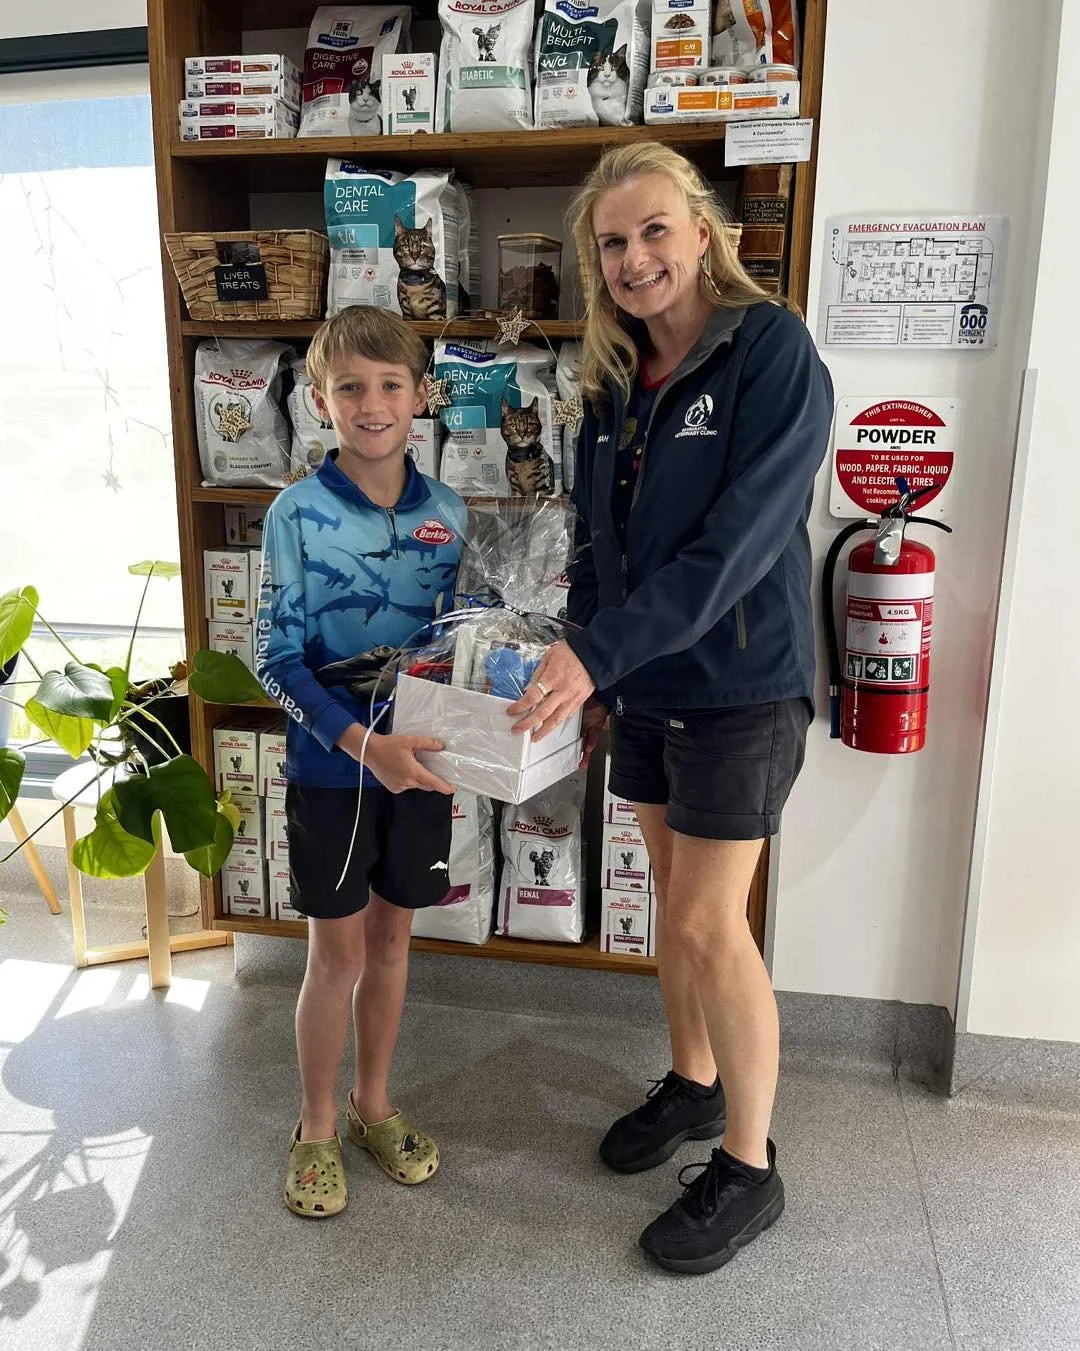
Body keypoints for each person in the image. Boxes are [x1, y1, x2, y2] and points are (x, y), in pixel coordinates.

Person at [508, 141, 833, 1273]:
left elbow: (738, 545)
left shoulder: (770, 350)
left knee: (707, 923)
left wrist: (597, 654)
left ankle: (750, 1162)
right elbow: (598, 547)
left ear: (702, 230)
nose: (635, 257)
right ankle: (694, 1083)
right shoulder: (611, 379)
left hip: (743, 684)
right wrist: (590, 671)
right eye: (612, 242)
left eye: (654, 230)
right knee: (665, 897)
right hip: (645, 684)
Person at [256, 305, 467, 1218]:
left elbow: (464, 646)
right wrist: (361, 744)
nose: (371, 404)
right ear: (320, 399)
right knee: (336, 952)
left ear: (422, 395)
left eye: (390, 385)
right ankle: (314, 1121)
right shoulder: (295, 513)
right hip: (332, 770)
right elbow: (274, 656)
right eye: (350, 387)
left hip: (418, 766)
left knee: (392, 942)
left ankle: (371, 1102)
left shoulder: (450, 514)